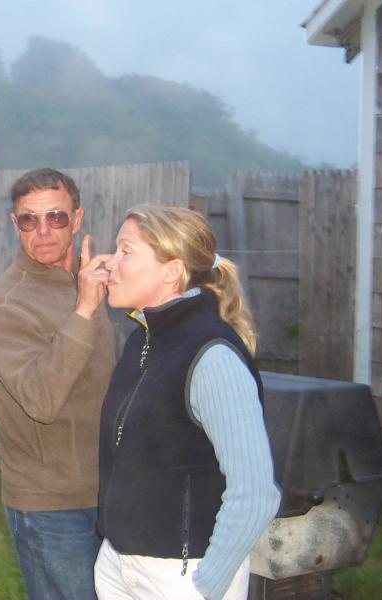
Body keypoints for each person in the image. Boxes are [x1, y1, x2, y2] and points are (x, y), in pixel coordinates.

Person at [94, 205, 281, 600]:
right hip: (119, 566)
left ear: (172, 271)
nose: (110, 262)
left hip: (181, 576)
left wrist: (207, 584)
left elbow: (255, 491)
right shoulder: (142, 338)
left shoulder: (212, 354)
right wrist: (112, 557)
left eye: (126, 251)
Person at [0, 168, 116, 600]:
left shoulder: (87, 283)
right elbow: (40, 400)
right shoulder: (5, 306)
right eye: (28, 220)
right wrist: (84, 311)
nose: (43, 231)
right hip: (50, 505)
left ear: (77, 219)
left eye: (56, 217)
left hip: (109, 490)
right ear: (14, 225)